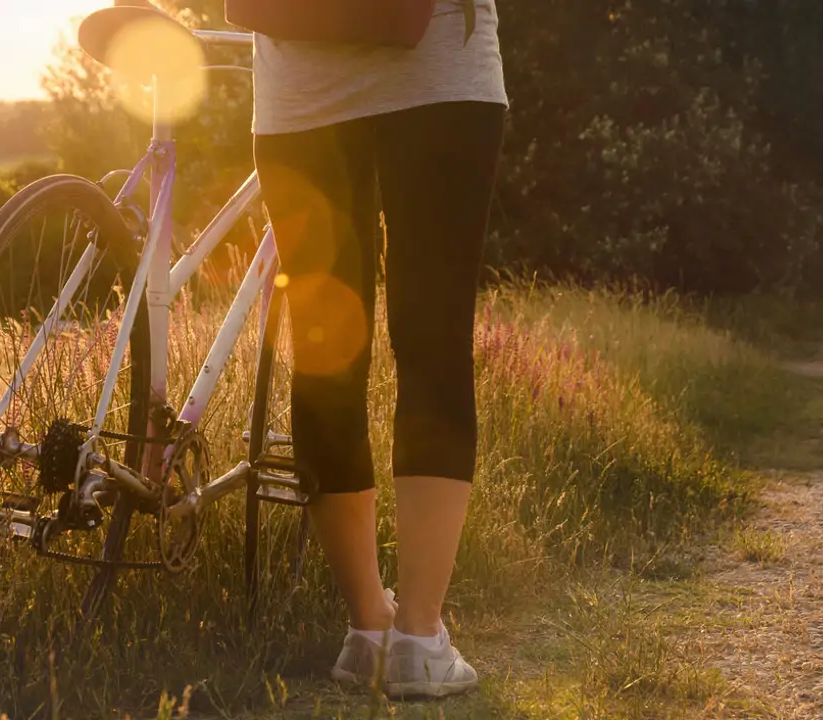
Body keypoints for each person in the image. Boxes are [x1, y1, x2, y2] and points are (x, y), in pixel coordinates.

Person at [250, 0, 508, 699]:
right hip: (440, 74)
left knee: (325, 349)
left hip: (298, 77)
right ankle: (420, 638)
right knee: (433, 343)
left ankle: (368, 626)